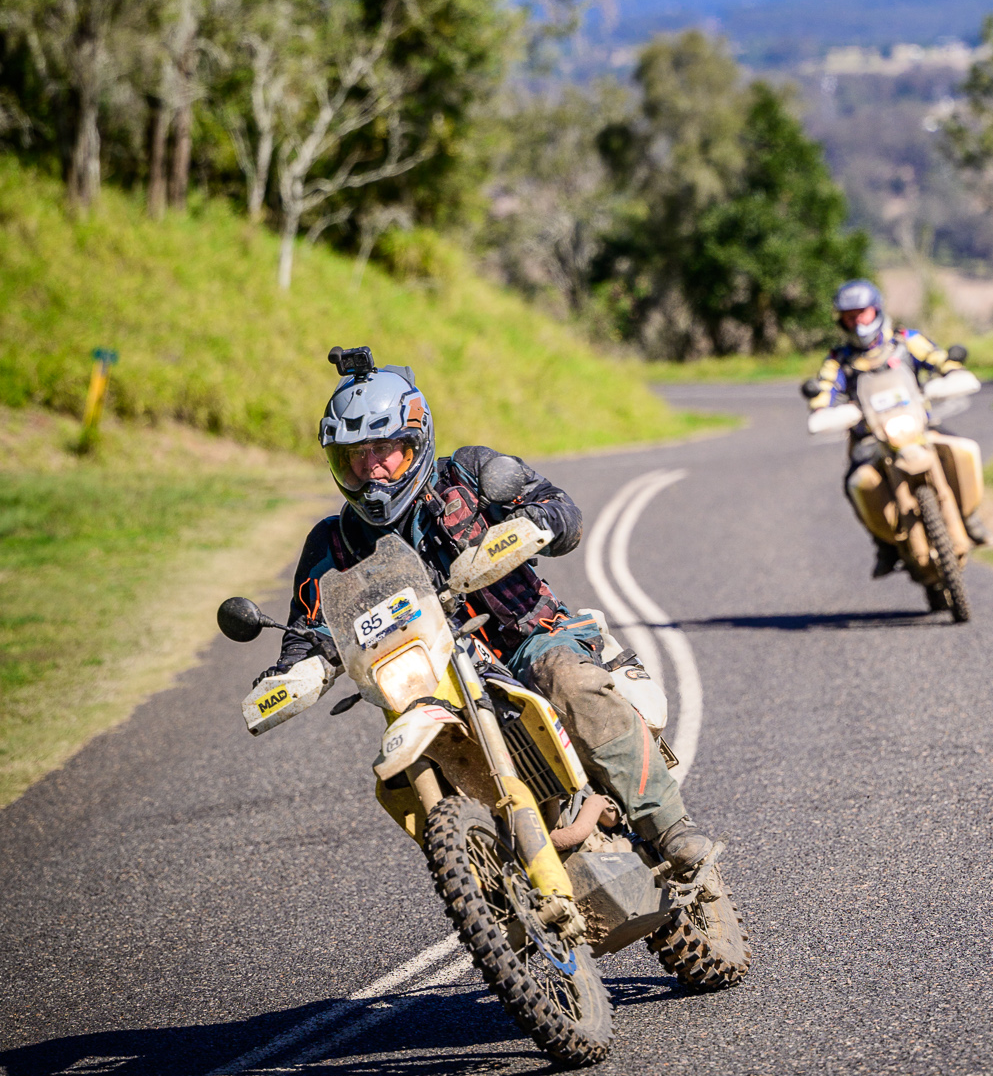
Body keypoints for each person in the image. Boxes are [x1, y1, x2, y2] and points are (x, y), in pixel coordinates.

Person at [258, 346, 712, 874]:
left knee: (569, 681)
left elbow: (560, 508)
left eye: (386, 450)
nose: (372, 469)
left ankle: (670, 827)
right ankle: (488, 885)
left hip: (526, 641)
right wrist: (288, 672)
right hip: (429, 681)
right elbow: (305, 629)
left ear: (417, 441)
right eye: (354, 457)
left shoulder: (470, 474)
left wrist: (536, 521)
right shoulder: (332, 544)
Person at [805, 279, 989, 574]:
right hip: (871, 439)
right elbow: (824, 392)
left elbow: (940, 360)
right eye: (849, 315)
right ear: (841, 319)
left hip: (920, 427)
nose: (856, 321)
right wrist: (823, 410)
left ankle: (969, 516)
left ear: (875, 310)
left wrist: (952, 375)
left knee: (959, 451)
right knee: (855, 482)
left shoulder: (905, 341)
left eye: (861, 313)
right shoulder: (838, 360)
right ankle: (885, 544)